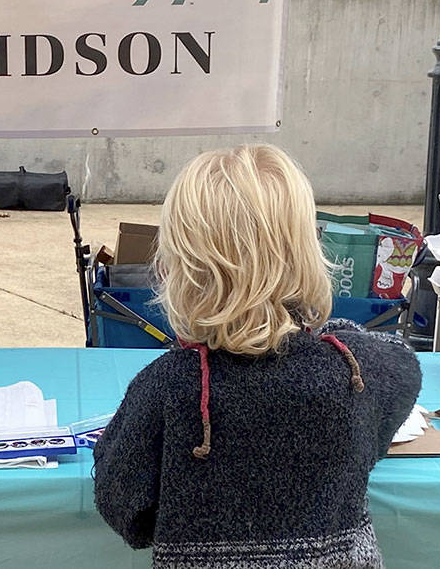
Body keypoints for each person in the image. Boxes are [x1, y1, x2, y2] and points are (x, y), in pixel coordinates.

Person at [93, 145, 421, 569]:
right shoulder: (355, 370)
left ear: (180, 265)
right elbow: (402, 364)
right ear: (307, 251)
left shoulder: (166, 385)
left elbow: (126, 512)